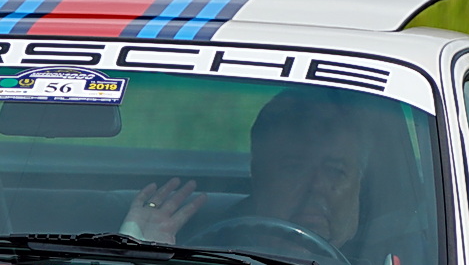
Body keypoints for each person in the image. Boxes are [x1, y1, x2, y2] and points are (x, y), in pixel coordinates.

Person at [119, 90, 369, 256]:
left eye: (335, 171)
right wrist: (142, 255)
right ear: (258, 175)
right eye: (294, 168)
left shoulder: (387, 264)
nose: (316, 185)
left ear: (359, 181)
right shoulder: (204, 253)